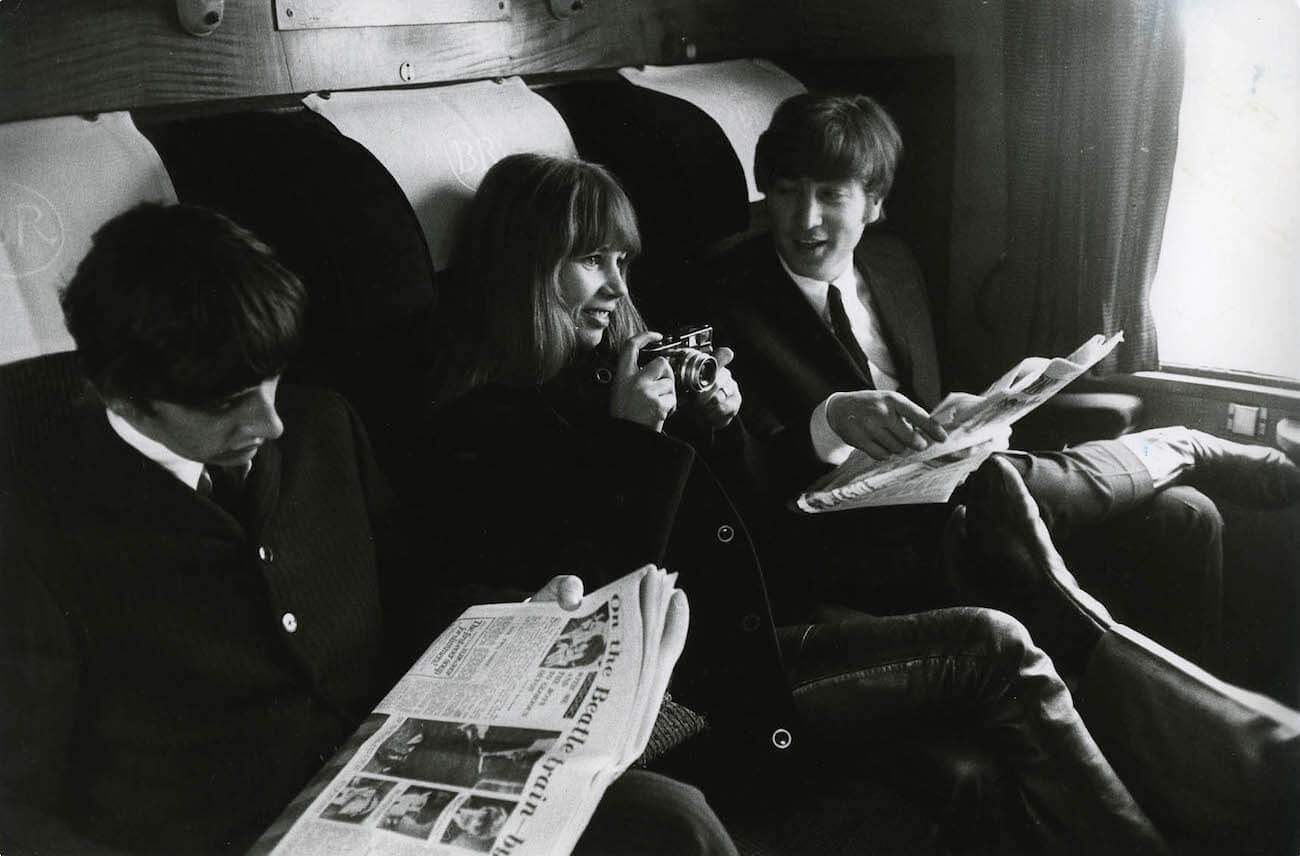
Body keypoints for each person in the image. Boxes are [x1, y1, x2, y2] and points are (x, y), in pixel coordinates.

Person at [418, 152, 1297, 854]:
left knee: (1026, 609)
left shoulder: (602, 381)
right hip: (693, 688)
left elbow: (753, 534)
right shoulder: (480, 431)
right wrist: (636, 443)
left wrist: (720, 431)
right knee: (994, 642)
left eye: (620, 260)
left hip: (758, 627)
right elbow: (593, 614)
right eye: (588, 261)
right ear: (527, 271)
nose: (615, 287)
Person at [0, 203, 739, 856]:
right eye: (229, 401)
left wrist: (521, 615)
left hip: (407, 778)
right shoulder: (36, 528)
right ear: (122, 396)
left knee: (672, 820)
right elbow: (19, 808)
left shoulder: (324, 428)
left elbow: (409, 592)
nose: (271, 421)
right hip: (231, 835)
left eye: (271, 380)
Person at [703, 91, 1300, 668]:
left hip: (945, 495)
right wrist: (828, 422)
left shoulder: (893, 265)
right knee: (999, 491)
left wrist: (976, 417)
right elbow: (742, 471)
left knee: (1187, 515)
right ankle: (1177, 446)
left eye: (830, 194)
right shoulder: (725, 297)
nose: (805, 218)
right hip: (858, 537)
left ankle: (1180, 744)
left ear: (874, 203)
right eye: (785, 193)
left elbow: (931, 397)